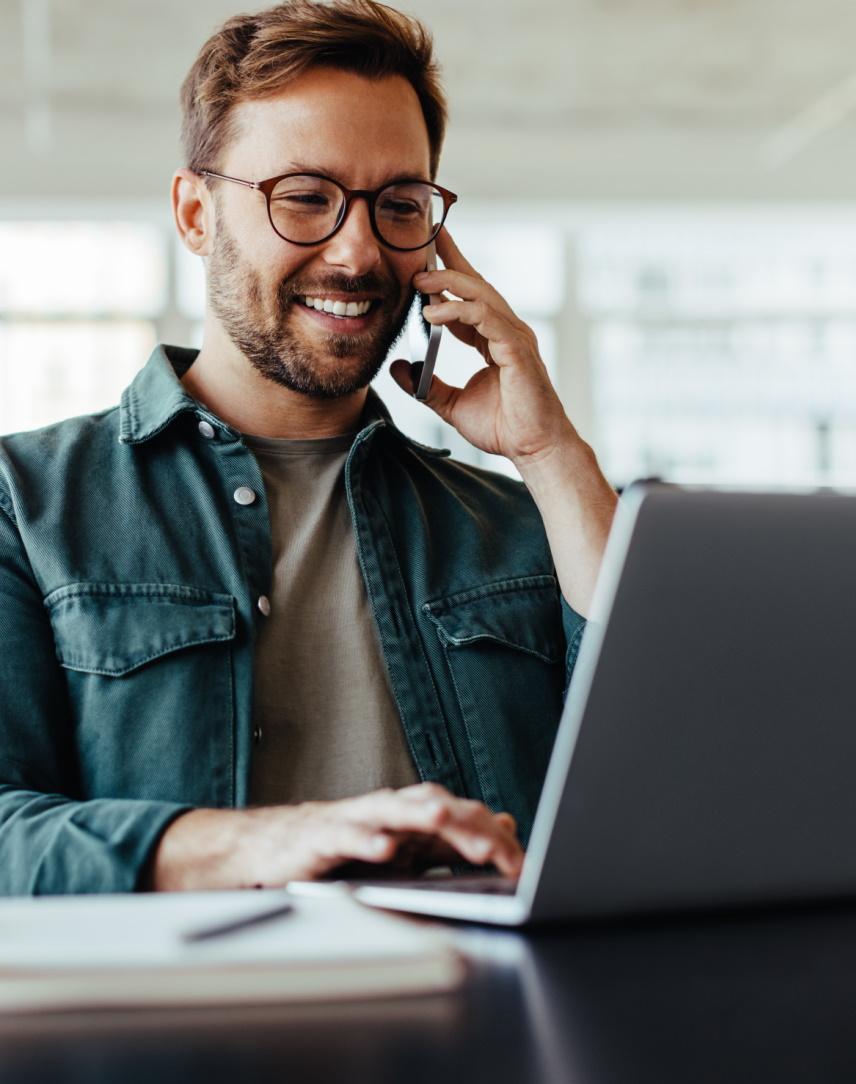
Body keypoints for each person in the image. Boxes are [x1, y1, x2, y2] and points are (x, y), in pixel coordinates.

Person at [0, 0, 618, 895]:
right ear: (196, 213)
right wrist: (261, 844)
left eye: (399, 204)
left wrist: (551, 450)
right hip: (182, 1028)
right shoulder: (26, 504)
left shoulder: (523, 522)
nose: (358, 252)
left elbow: (668, 775)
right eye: (305, 199)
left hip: (485, 1024)